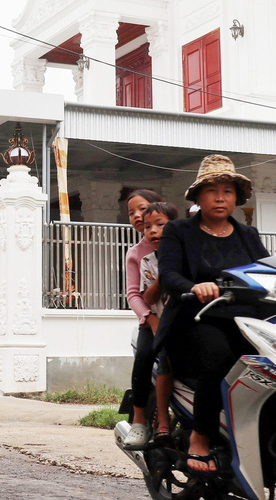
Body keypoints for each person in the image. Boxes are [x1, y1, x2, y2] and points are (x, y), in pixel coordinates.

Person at [156, 154, 276, 472]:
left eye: (227, 190)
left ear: (237, 196)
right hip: (197, 318)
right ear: (198, 196)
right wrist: (195, 287)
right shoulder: (178, 231)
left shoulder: (247, 235)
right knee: (220, 356)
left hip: (247, 319)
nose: (220, 197)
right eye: (212, 190)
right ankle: (200, 437)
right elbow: (168, 274)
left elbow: (269, 271)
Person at [121, 188, 162, 447]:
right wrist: (149, 317)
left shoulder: (178, 244)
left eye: (142, 208)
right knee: (145, 356)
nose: (137, 215)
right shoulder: (135, 253)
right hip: (152, 320)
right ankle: (138, 421)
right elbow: (133, 294)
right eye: (131, 212)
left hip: (179, 316)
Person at [138, 201, 179, 442]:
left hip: (191, 320)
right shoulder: (148, 262)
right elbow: (148, 297)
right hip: (166, 323)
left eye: (160, 225)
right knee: (166, 366)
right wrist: (163, 278)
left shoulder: (187, 254)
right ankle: (163, 420)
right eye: (147, 227)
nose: (153, 230)